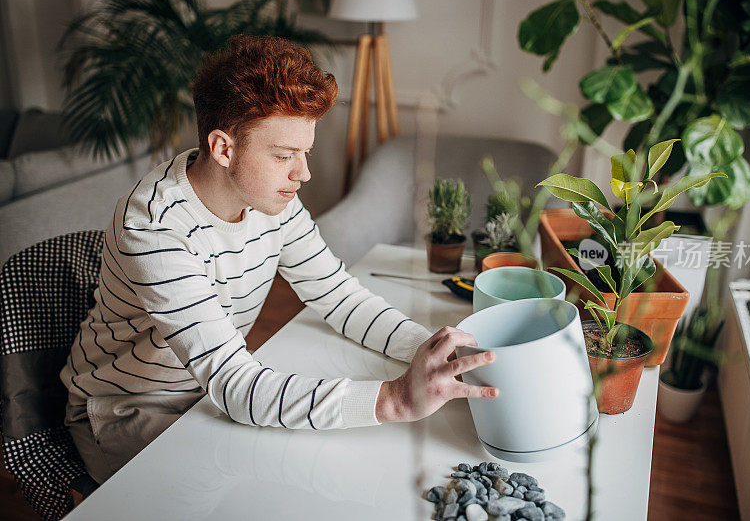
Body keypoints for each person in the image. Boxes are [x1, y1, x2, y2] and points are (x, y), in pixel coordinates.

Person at [59, 34, 497, 485]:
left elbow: (340, 297)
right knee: (262, 486)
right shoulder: (155, 227)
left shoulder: (273, 199)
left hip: (206, 388)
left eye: (304, 152)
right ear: (223, 148)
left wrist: (439, 355)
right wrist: (396, 400)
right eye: (283, 155)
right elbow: (235, 386)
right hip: (128, 407)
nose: (303, 173)